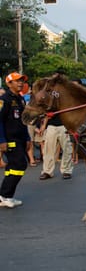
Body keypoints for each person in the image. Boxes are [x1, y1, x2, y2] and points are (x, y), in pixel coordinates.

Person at [0, 72, 30, 208]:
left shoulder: (20, 99)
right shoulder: (4, 99)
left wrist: (28, 138)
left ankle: (7, 196)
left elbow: (22, 121)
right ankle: (4, 195)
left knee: (12, 166)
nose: (20, 83)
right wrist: (1, 141)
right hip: (9, 138)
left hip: (20, 138)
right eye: (17, 81)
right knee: (20, 164)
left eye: (22, 81)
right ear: (9, 83)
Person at [38, 113, 75, 180]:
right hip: (51, 125)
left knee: (67, 149)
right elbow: (47, 113)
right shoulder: (51, 102)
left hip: (64, 125)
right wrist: (44, 125)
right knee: (48, 149)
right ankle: (47, 171)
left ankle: (66, 171)